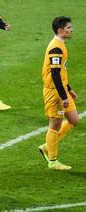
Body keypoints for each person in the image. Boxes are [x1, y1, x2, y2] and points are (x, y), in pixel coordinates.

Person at [38, 17, 79, 170]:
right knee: (55, 124)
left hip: (61, 89)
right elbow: (54, 74)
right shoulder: (56, 48)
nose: (71, 30)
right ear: (60, 31)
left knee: (74, 120)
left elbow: (60, 72)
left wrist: (68, 89)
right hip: (53, 92)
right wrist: (64, 97)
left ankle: (47, 146)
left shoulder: (60, 44)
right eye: (68, 27)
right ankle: (53, 161)